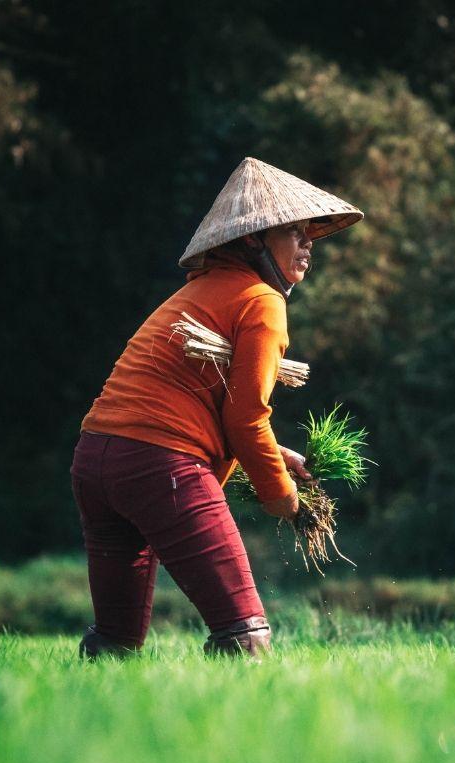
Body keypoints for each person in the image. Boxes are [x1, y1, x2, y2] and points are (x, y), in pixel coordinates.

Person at [71, 157, 363, 659]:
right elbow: (244, 418)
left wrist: (277, 455)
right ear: (253, 240)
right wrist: (284, 497)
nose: (308, 244)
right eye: (293, 232)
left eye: (310, 233)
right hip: (159, 465)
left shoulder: (198, 293)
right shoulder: (262, 302)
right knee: (243, 636)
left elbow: (208, 406)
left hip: (95, 461)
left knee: (115, 642)